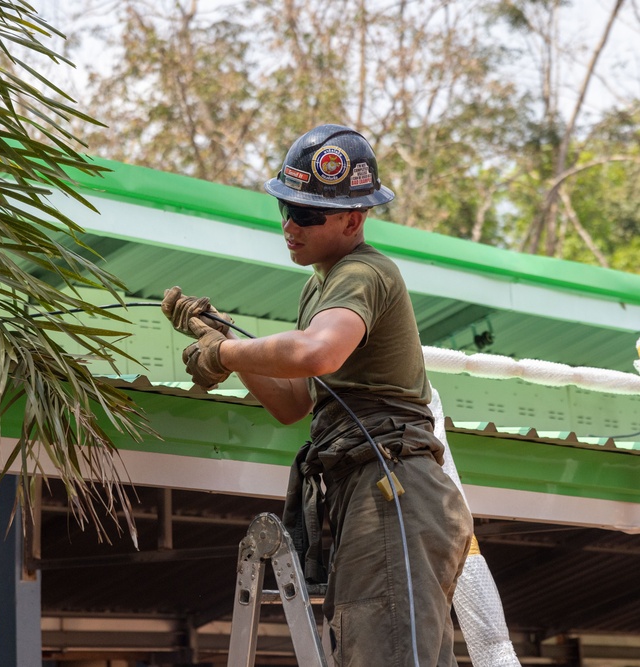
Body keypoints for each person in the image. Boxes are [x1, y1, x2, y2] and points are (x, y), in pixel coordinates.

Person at [161, 124, 474, 667]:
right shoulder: (320, 285)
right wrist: (221, 336)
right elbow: (293, 404)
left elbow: (317, 354)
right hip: (366, 484)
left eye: (306, 214)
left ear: (353, 219)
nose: (289, 225)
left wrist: (226, 356)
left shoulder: (362, 272)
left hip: (392, 485)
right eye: (284, 207)